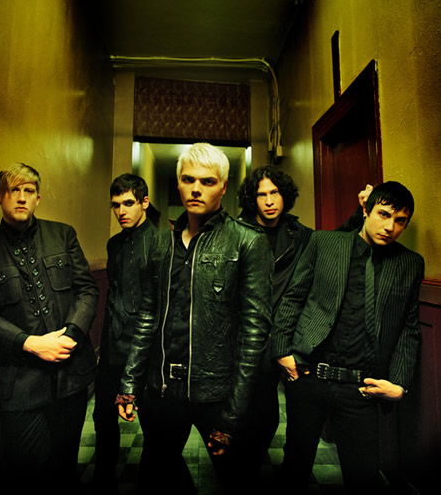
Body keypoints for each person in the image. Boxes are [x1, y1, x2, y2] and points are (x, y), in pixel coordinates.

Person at [116, 143, 273, 494]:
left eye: (207, 181)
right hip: (161, 389)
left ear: (224, 186)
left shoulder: (247, 242)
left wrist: (234, 413)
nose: (196, 189)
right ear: (178, 183)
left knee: (238, 479)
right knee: (156, 475)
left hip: (216, 393)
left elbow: (254, 333)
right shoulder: (161, 243)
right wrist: (129, 383)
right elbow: (147, 315)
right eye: (188, 180)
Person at [272, 181, 424, 492]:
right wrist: (282, 351)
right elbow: (293, 297)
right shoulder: (325, 243)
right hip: (310, 376)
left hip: (362, 387)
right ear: (366, 210)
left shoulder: (409, 264)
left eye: (400, 221)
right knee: (295, 466)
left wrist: (400, 384)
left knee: (363, 476)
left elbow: (409, 328)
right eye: (383, 215)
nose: (390, 227)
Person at [0, 163, 98, 492]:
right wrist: (32, 344)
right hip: (19, 384)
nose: (21, 197)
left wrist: (71, 335)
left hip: (70, 377)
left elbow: (87, 290)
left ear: (38, 198)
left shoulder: (63, 234)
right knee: (30, 475)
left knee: (66, 467)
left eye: (29, 191)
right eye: (14, 190)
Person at [236, 166, 370, 486]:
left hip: (283, 336)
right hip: (246, 337)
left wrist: (361, 213)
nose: (269, 201)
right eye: (262, 195)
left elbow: (334, 243)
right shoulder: (237, 231)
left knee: (275, 417)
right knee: (250, 414)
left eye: (275, 193)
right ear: (252, 199)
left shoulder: (299, 234)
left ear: (284, 195)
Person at [92, 174, 157, 490]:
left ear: (144, 202)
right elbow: (114, 296)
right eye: (116, 205)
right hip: (113, 349)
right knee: (102, 419)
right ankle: (103, 480)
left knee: (153, 427)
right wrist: (104, 346)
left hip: (147, 352)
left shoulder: (161, 242)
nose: (121, 211)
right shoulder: (114, 244)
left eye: (128, 203)